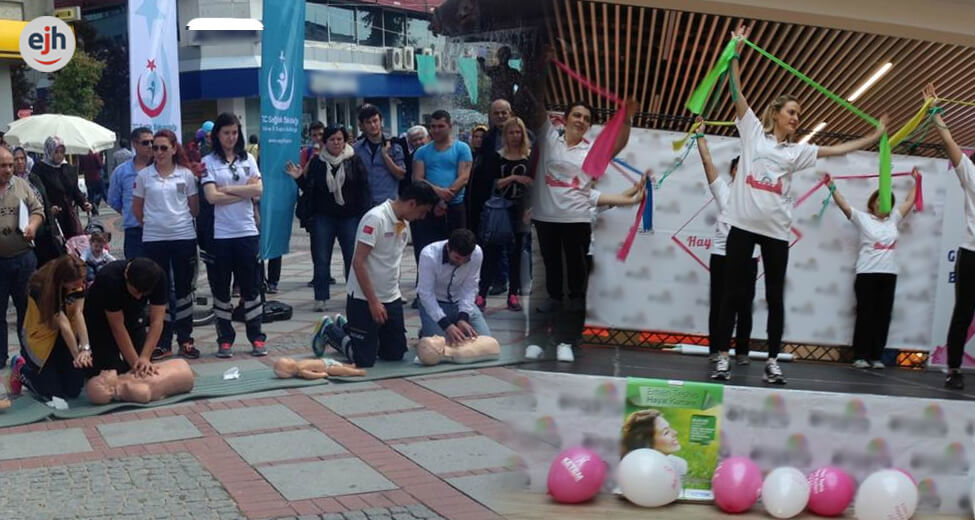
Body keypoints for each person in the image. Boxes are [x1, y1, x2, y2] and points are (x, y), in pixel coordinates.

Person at [711, 25, 888, 384]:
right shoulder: (752, 135)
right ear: (776, 112)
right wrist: (736, 51)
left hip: (776, 231)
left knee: (775, 299)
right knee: (732, 295)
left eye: (799, 115)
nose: (796, 118)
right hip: (742, 227)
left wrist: (874, 135)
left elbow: (837, 149)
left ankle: (772, 362)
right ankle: (721, 359)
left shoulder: (798, 151)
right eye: (791, 112)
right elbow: (736, 91)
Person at [530, 98, 643, 363]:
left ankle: (566, 341)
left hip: (576, 222)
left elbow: (619, 143)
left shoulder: (591, 150)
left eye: (586, 119)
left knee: (575, 288)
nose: (580, 121)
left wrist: (626, 118)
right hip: (546, 222)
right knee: (549, 287)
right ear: (565, 118)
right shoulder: (549, 139)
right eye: (577, 115)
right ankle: (539, 340)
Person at [317, 182, 439, 367]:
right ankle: (331, 331)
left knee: (395, 354)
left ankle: (350, 327)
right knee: (363, 359)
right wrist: (373, 302)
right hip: (364, 298)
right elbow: (358, 262)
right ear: (412, 204)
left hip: (391, 297)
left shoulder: (404, 223)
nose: (421, 217)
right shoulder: (376, 219)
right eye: (422, 212)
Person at [828, 169, 918, 370]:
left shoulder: (894, 218)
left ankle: (876, 356)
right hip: (866, 274)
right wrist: (832, 186)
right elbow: (843, 205)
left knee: (883, 316)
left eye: (884, 200)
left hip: (889, 275)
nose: (880, 203)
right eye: (877, 200)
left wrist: (917, 181)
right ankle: (860, 355)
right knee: (865, 315)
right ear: (872, 202)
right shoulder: (863, 218)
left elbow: (910, 202)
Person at [200, 112, 267, 358]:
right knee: (221, 290)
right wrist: (243, 191)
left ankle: (257, 337)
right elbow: (211, 197)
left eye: (234, 132)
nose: (231, 137)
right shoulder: (208, 162)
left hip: (246, 231)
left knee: (251, 288)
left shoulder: (248, 158)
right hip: (220, 235)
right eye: (226, 132)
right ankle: (225, 338)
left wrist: (227, 188)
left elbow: (258, 189)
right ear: (217, 135)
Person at [694, 123, 758, 378]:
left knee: (745, 305)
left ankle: (742, 351)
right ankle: (715, 349)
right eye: (738, 167)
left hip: (749, 258)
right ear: (732, 172)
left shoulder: (758, 197)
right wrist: (700, 137)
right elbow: (708, 163)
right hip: (722, 257)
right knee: (720, 305)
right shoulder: (723, 190)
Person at [286, 125, 371, 312]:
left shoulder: (354, 160)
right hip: (323, 217)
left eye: (339, 139)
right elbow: (310, 188)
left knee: (352, 257)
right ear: (324, 142)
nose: (336, 143)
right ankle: (321, 296)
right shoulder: (318, 162)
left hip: (349, 216)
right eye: (332, 139)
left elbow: (364, 189)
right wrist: (298, 178)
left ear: (345, 141)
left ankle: (353, 295)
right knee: (321, 258)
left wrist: (366, 215)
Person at [133, 129, 201, 360]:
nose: (159, 152)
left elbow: (194, 208)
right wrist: (153, 224)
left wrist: (173, 222)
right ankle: (162, 342)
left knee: (183, 290)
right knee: (159, 291)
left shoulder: (186, 175)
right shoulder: (144, 176)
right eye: (155, 147)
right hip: (154, 240)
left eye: (164, 147)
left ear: (174, 148)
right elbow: (137, 209)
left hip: (183, 237)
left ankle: (185, 339)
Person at [924, 83, 974, 389]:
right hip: (971, 255)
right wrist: (934, 111)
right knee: (963, 313)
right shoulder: (971, 173)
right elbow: (949, 141)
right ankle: (953, 369)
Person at [10, 256, 91, 400]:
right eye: (74, 283)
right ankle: (21, 368)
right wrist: (76, 355)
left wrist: (85, 348)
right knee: (53, 395)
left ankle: (58, 373)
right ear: (62, 280)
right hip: (42, 339)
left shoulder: (77, 281)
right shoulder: (40, 288)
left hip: (65, 338)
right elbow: (63, 323)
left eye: (81, 280)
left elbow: (79, 313)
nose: (79, 284)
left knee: (73, 391)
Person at [476, 117, 533, 312]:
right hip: (500, 209)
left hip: (522, 210)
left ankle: (513, 294)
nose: (515, 136)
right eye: (511, 132)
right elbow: (493, 183)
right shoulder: (497, 157)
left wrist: (531, 210)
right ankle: (482, 293)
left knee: (517, 253)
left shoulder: (529, 157)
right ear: (505, 135)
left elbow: (536, 185)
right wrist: (514, 177)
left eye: (518, 132)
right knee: (492, 252)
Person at [84, 258, 167, 378]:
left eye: (144, 294)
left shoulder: (158, 277)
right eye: (136, 291)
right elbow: (117, 327)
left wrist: (144, 358)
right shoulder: (109, 278)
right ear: (126, 276)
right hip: (99, 317)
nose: (139, 297)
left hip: (133, 315)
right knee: (110, 371)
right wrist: (135, 365)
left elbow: (157, 321)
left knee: (145, 365)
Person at [0, 146, 44, 368]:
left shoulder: (22, 184)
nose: (8, 169)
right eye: (3, 166)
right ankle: (0, 357)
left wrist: (33, 226)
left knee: (26, 309)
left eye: (10, 165)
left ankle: (28, 354)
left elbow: (38, 210)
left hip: (23, 257)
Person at [413, 110, 473, 261]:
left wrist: (445, 199)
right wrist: (438, 193)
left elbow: (464, 177)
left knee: (458, 249)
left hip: (454, 206)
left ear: (450, 126)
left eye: (441, 126)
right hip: (429, 207)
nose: (436, 130)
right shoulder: (421, 152)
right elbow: (418, 178)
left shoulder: (462, 148)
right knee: (427, 250)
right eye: (433, 126)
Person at [417, 228, 491, 343]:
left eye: (466, 260)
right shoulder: (429, 255)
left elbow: (470, 287)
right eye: (457, 258)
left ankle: (455, 323)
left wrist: (463, 317)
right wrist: (446, 325)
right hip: (435, 303)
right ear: (448, 248)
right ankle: (428, 329)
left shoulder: (477, 253)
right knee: (440, 347)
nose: (461, 263)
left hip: (459, 302)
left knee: (486, 341)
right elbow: (425, 294)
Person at [32, 136, 92, 240]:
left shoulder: (67, 168)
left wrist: (84, 203)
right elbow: (38, 192)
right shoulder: (40, 169)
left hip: (69, 215)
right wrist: (48, 208)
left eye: (62, 152)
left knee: (76, 244)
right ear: (49, 151)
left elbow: (75, 190)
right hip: (51, 216)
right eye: (56, 152)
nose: (59, 155)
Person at [108, 127, 154, 259]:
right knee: (136, 273)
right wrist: (131, 211)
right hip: (134, 232)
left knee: (162, 275)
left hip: (159, 230)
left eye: (152, 142)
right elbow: (114, 201)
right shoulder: (121, 172)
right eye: (145, 143)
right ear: (134, 144)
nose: (150, 146)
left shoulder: (160, 168)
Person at [13, 146, 59, 266]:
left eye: (22, 158)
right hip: (23, 233)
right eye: (16, 159)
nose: (20, 162)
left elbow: (44, 199)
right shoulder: (10, 183)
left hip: (43, 229)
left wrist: (53, 227)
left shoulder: (33, 177)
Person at [354, 104, 406, 207]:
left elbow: (401, 175)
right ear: (362, 126)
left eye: (375, 120)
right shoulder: (357, 148)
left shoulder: (394, 145)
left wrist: (386, 156)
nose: (373, 125)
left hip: (387, 203)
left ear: (381, 121)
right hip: (364, 203)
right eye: (368, 122)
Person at [620, 409, 688, 477]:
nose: (675, 432)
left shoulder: (678, 465)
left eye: (670, 428)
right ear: (647, 443)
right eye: (666, 432)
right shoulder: (626, 472)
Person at [79, 151, 104, 216]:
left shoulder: (82, 156)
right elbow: (100, 165)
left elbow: (81, 167)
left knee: (90, 195)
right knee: (100, 192)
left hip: (87, 177)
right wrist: (103, 160)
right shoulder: (95, 154)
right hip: (96, 177)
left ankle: (94, 210)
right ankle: (94, 203)